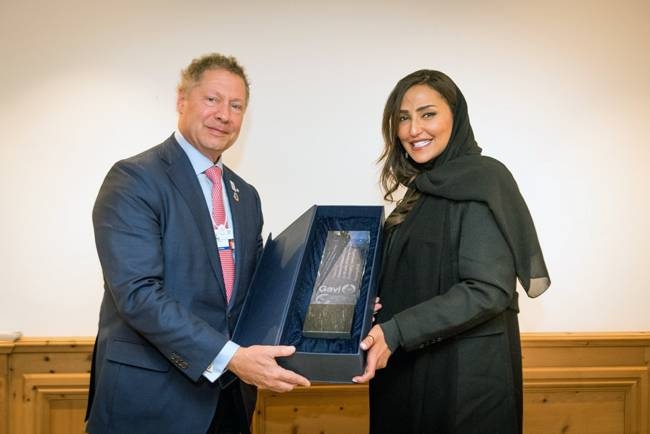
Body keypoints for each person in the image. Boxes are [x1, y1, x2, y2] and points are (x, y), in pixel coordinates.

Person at [85, 53, 310, 434]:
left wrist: (326, 306)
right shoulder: (134, 180)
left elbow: (258, 296)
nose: (224, 114)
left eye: (236, 105)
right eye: (212, 99)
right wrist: (230, 357)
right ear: (181, 100)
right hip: (151, 401)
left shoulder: (245, 195)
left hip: (230, 402)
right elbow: (138, 293)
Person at [352, 70, 550, 434]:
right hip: (407, 373)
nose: (414, 130)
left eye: (427, 114)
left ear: (455, 118)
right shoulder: (419, 193)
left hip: (463, 385)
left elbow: (487, 290)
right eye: (403, 118)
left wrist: (396, 330)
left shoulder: (483, 180)